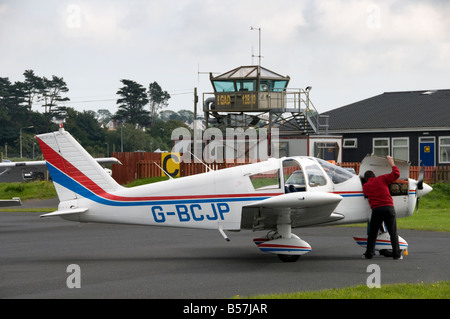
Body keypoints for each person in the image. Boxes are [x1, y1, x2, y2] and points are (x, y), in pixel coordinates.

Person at [362, 155, 402, 260]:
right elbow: (396, 174)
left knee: (373, 233)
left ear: (366, 179)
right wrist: (391, 163)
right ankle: (397, 255)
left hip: (377, 210)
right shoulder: (382, 179)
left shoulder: (365, 186)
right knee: (393, 232)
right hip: (389, 208)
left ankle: (369, 254)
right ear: (374, 175)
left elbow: (366, 195)